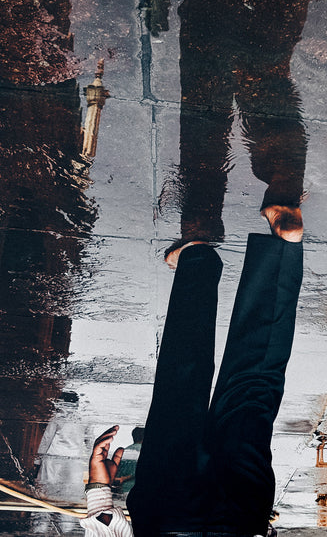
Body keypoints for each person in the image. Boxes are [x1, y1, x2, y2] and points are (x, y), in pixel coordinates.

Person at [81, 208, 303, 537]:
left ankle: (282, 250)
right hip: (168, 514)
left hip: (240, 522)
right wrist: (99, 494)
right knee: (181, 383)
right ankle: (196, 259)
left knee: (254, 388)